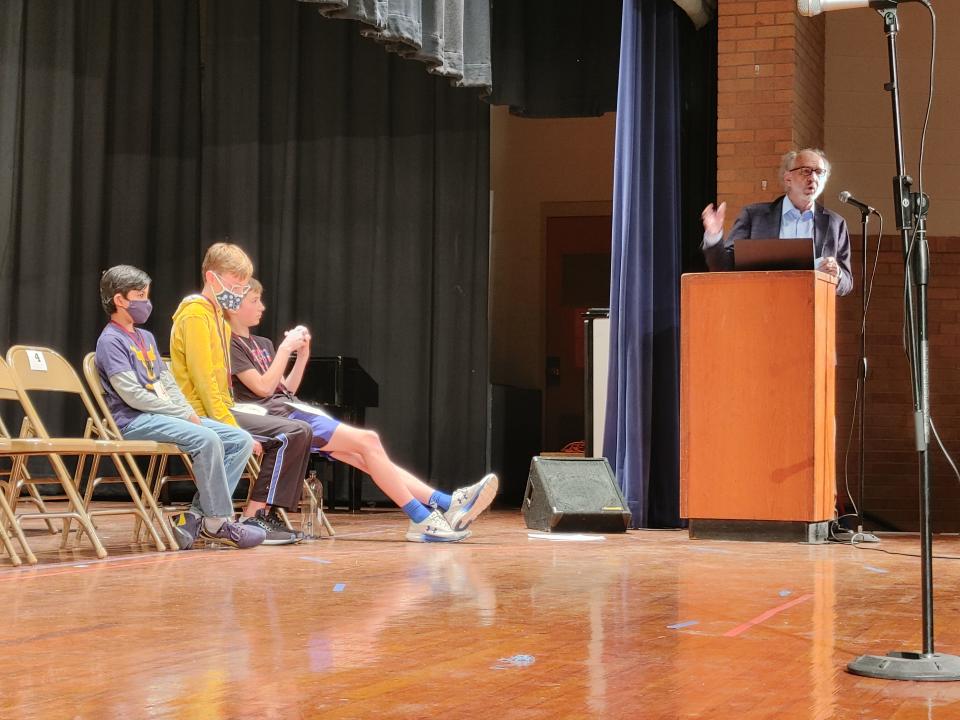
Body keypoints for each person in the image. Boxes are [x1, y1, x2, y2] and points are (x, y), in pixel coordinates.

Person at [226, 278, 498, 543]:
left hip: (289, 409)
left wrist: (303, 357)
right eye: (254, 300)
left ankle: (444, 504)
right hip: (276, 418)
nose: (262, 306)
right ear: (235, 306)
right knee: (368, 442)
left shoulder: (262, 344)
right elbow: (262, 388)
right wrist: (286, 348)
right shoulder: (230, 344)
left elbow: (283, 389)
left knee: (364, 455)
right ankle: (422, 516)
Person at [94, 265, 265, 550]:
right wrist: (182, 414)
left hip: (164, 415)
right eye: (139, 295)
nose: (145, 302)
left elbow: (168, 384)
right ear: (119, 299)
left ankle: (198, 517)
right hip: (133, 421)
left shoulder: (145, 337)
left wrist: (188, 411)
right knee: (207, 439)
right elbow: (132, 395)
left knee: (240, 439)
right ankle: (219, 522)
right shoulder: (110, 341)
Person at [169, 242, 311, 545]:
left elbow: (219, 385)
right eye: (235, 285)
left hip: (221, 407)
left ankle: (195, 517)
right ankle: (234, 517)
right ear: (212, 278)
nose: (238, 291)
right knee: (246, 440)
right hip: (199, 411)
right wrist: (229, 424)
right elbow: (204, 381)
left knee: (295, 429)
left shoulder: (218, 318)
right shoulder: (195, 314)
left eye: (242, 285)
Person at [701, 148, 853, 296]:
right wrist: (713, 236)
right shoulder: (754, 216)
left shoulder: (835, 224)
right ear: (788, 178)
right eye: (806, 171)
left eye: (819, 172)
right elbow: (724, 266)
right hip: (761, 309)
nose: (813, 177)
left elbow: (847, 283)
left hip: (812, 310)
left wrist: (837, 274)